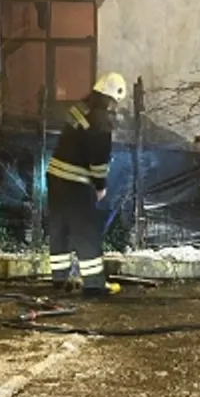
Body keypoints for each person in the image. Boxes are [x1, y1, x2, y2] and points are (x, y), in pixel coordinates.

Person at [46, 72, 126, 297]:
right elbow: (98, 161)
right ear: (112, 99)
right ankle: (94, 284)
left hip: (55, 176)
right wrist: (100, 186)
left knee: (60, 227)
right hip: (76, 182)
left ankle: (60, 279)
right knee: (86, 232)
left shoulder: (80, 108)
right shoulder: (101, 122)